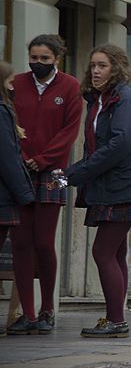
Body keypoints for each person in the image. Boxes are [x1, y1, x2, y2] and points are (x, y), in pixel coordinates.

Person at [61, 45, 131, 338]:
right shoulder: (99, 100)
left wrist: (76, 173)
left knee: (102, 250)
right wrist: (75, 171)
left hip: (125, 184)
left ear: (116, 68)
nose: (95, 71)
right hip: (111, 183)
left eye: (102, 65)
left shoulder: (124, 100)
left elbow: (119, 145)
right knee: (115, 251)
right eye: (93, 65)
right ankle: (115, 318)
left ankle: (116, 320)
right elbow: (98, 146)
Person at [8, 36, 81, 335]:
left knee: (43, 241)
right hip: (19, 168)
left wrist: (44, 158)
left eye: (44, 59)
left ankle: (48, 308)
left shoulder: (71, 86)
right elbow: (9, 123)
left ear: (57, 59)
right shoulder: (16, 85)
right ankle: (26, 312)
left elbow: (70, 130)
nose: (37, 63)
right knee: (21, 243)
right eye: (33, 57)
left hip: (55, 171)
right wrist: (23, 157)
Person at [0, 63, 37, 328]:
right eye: (10, 82)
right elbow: (7, 158)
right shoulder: (2, 112)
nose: (14, 86)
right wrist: (25, 194)